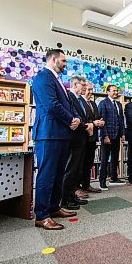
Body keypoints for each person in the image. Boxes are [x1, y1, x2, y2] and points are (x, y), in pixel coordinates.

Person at [32, 49, 80, 230]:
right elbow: (52, 105)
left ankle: (53, 207)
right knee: (47, 174)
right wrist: (70, 120)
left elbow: (68, 104)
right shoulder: (43, 77)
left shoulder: (60, 82)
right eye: (63, 60)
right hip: (48, 134)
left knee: (59, 174)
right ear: (53, 59)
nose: (65, 64)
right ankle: (42, 215)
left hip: (61, 134)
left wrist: (75, 119)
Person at [60, 76, 94, 210]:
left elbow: (81, 117)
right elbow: (73, 118)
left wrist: (86, 124)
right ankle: (65, 200)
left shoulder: (80, 99)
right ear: (75, 84)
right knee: (70, 170)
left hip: (82, 139)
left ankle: (72, 196)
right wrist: (86, 126)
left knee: (77, 170)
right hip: (74, 138)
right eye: (83, 84)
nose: (85, 87)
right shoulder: (69, 96)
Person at [98, 84, 125, 190]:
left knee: (115, 158)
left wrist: (122, 133)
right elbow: (102, 121)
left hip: (117, 135)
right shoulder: (103, 103)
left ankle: (114, 178)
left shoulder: (119, 104)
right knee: (104, 159)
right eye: (113, 91)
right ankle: (102, 181)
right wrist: (105, 136)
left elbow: (121, 120)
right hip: (107, 136)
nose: (115, 92)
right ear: (108, 92)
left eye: (116, 91)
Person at [79, 82, 104, 194]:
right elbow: (80, 120)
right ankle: (77, 187)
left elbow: (97, 117)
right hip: (82, 138)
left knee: (89, 163)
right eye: (88, 89)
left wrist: (100, 122)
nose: (90, 92)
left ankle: (86, 184)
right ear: (83, 89)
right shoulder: (79, 103)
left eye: (91, 89)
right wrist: (93, 123)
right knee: (80, 163)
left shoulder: (93, 104)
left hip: (92, 138)